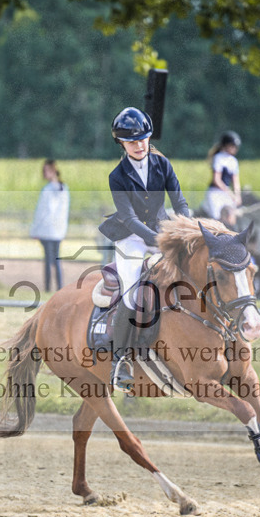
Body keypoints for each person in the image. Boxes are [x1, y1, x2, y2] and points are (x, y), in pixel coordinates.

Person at [99, 106, 191, 394]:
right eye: (131, 142)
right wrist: (157, 239)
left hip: (163, 229)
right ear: (121, 143)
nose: (139, 145)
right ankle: (119, 362)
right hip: (131, 238)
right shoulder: (117, 176)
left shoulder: (163, 164)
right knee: (131, 291)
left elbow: (180, 202)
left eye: (142, 139)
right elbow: (129, 219)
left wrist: (186, 229)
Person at [29, 159, 70, 292]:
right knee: (55, 259)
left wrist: (35, 230)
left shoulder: (48, 190)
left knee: (49, 260)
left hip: (48, 230)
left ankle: (49, 288)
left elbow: (42, 212)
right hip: (58, 230)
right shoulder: (64, 189)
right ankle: (59, 287)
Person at [199, 130, 241, 220]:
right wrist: (230, 193)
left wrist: (237, 196)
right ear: (226, 145)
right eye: (232, 146)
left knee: (233, 218)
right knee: (216, 217)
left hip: (227, 194)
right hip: (215, 193)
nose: (234, 148)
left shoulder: (234, 161)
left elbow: (236, 182)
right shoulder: (218, 158)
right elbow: (216, 180)